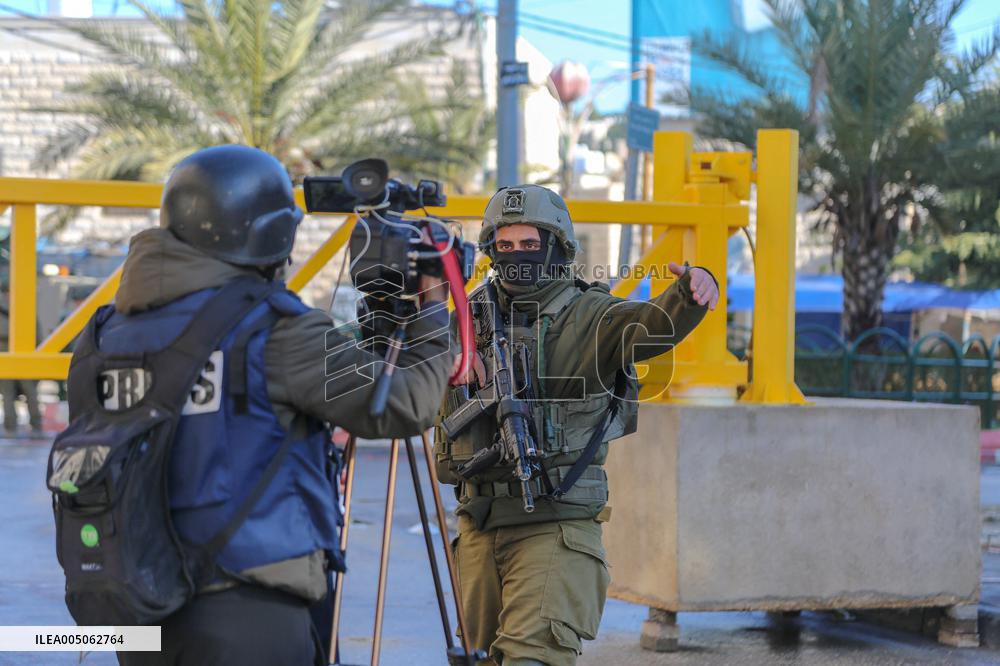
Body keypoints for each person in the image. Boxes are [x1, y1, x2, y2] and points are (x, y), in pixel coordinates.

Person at [93, 145, 454, 665]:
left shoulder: (109, 331)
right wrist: (434, 311)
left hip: (138, 608)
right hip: (247, 610)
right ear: (270, 235)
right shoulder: (277, 331)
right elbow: (403, 403)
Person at [434, 184, 719, 666]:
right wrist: (445, 359)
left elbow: (651, 327)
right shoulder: (467, 317)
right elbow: (394, 378)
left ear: (557, 247)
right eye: (505, 245)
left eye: (529, 245)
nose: (517, 256)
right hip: (479, 527)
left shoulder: (591, 316)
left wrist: (692, 291)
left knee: (531, 658)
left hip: (555, 527)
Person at [0, 286, 43, 436]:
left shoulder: (27, 312)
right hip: (6, 358)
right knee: (8, 394)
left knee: (30, 392)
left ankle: (36, 425)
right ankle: (10, 426)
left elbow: (38, 335)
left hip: (25, 356)